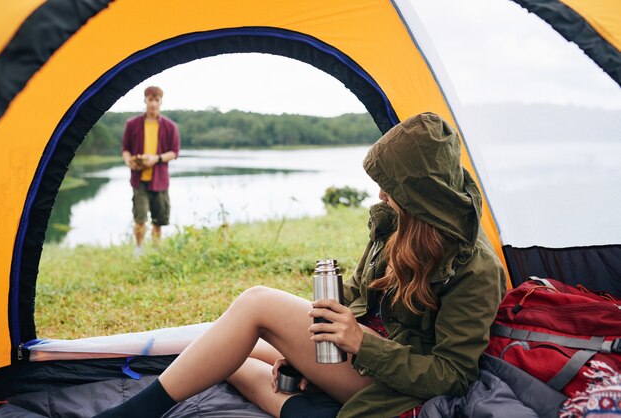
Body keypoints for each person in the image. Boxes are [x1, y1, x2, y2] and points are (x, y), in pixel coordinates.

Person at [97, 113, 506, 418]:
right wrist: (303, 352)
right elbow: (363, 297)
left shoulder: (475, 268)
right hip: (363, 351)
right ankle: (307, 407)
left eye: (392, 185)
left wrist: (362, 345)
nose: (380, 193)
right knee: (229, 351)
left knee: (256, 306)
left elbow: (453, 376)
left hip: (394, 381)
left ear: (421, 194)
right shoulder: (403, 223)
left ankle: (133, 414)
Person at [122, 86, 180, 255]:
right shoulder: (132, 124)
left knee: (158, 221)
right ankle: (139, 251)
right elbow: (126, 149)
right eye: (150, 99)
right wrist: (128, 160)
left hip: (160, 180)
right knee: (140, 219)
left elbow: (174, 152)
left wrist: (157, 158)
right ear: (145, 100)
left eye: (156, 100)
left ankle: (156, 251)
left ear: (161, 102)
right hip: (139, 180)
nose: (153, 103)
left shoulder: (170, 126)